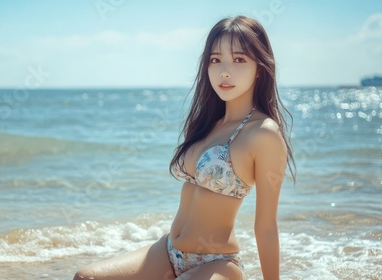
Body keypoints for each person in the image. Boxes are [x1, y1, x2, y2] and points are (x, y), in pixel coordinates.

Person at [74, 15, 295, 280]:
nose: (224, 71)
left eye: (238, 60)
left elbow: (266, 225)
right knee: (85, 278)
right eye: (216, 60)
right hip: (168, 252)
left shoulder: (263, 133)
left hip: (217, 264)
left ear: (259, 68)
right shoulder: (208, 123)